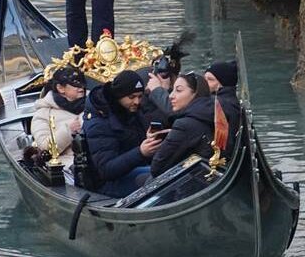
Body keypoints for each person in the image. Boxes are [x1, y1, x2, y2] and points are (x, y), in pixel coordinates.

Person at [82, 69, 162, 197]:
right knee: (158, 177)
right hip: (107, 183)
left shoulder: (132, 110)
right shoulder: (99, 123)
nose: (137, 101)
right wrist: (140, 152)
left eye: (140, 96)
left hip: (135, 169)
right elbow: (106, 170)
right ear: (118, 96)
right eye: (131, 97)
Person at [149, 71, 214, 177]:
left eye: (178, 90)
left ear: (195, 94)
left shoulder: (185, 125)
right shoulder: (208, 114)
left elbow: (156, 168)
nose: (170, 96)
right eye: (173, 90)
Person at [31, 66, 87, 170]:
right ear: (60, 88)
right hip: (68, 165)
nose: (81, 87)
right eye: (75, 83)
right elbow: (45, 149)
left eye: (82, 83)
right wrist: (68, 131)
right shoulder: (43, 114)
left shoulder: (94, 104)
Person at [205, 60, 240, 152]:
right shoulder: (231, 101)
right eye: (205, 79)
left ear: (223, 83)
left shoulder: (218, 103)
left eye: (210, 79)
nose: (205, 83)